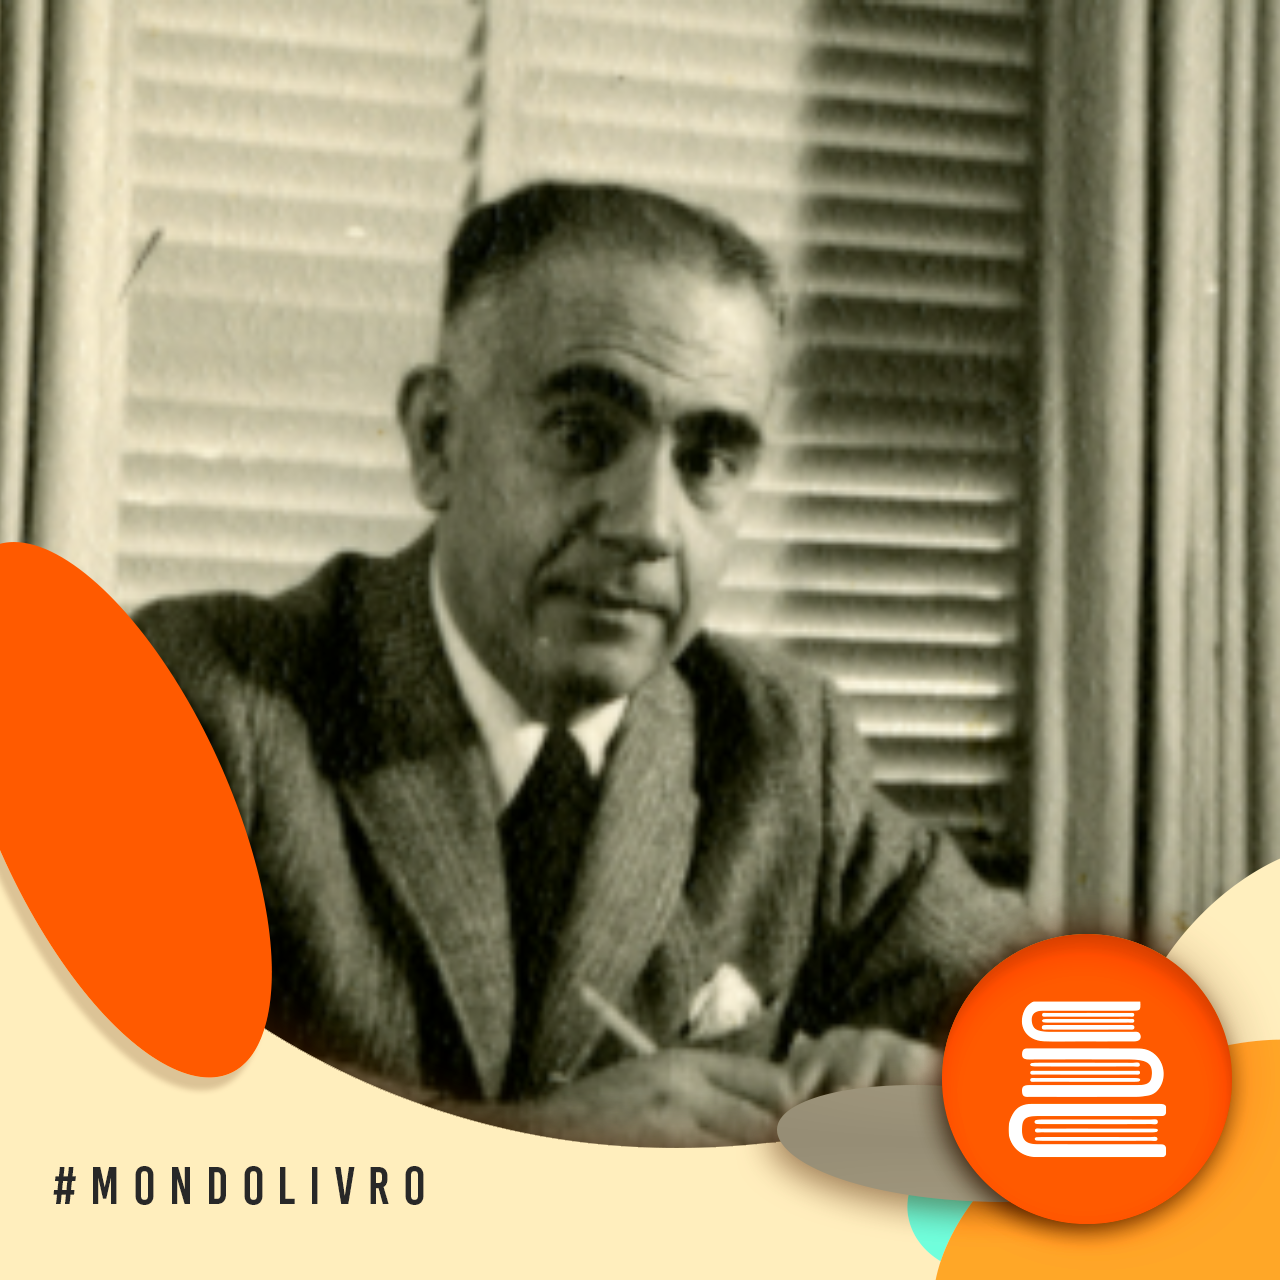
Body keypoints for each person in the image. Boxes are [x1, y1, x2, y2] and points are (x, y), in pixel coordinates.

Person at [136, 181, 1033, 1146]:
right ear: (437, 439)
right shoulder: (206, 702)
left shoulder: (778, 746)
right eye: (582, 437)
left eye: (707, 462)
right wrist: (522, 1148)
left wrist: (937, 1084)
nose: (649, 526)